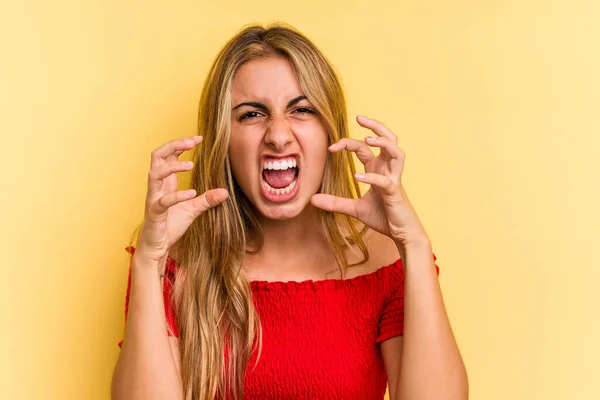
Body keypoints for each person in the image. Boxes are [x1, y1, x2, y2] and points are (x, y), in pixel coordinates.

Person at [111, 23, 468, 400]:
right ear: (223, 141)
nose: (278, 136)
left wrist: (412, 243)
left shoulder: (384, 264)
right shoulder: (174, 265)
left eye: (301, 110)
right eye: (251, 114)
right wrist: (149, 261)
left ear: (330, 132)